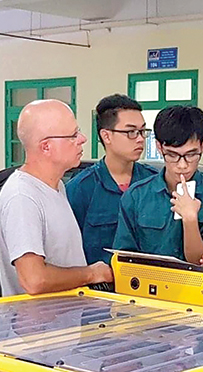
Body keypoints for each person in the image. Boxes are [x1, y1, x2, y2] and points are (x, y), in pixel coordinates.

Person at [0, 99, 113, 296]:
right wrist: (91, 274)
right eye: (73, 135)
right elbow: (34, 280)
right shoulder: (23, 197)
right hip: (38, 326)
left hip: (66, 323)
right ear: (46, 147)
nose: (82, 139)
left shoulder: (57, 187)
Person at [113, 106, 203, 263]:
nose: (182, 165)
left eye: (191, 155)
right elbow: (123, 259)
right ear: (159, 147)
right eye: (172, 155)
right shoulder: (136, 196)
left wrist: (190, 219)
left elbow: (202, 263)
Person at [66, 94, 155, 264]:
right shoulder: (81, 189)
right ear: (106, 136)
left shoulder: (154, 184)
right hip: (99, 287)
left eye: (143, 131)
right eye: (131, 132)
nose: (140, 139)